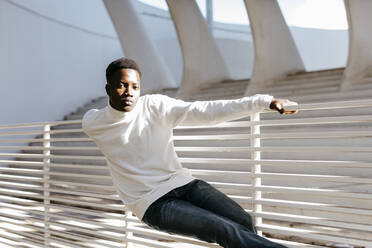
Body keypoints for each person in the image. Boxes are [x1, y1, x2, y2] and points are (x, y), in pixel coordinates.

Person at [82, 58, 295, 248]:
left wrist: (264, 102)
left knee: (243, 222)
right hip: (152, 203)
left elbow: (205, 111)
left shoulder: (155, 106)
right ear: (108, 89)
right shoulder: (93, 122)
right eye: (122, 85)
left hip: (184, 183)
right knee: (221, 229)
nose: (129, 92)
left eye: (135, 87)